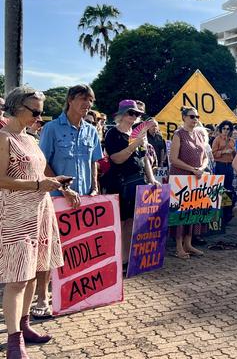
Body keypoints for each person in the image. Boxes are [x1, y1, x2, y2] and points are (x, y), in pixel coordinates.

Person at [0, 87, 68, 356]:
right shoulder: (4, 138)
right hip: (16, 216)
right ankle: (14, 338)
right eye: (36, 111)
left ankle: (25, 325)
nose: (40, 118)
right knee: (17, 279)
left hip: (40, 211)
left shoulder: (30, 138)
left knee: (32, 275)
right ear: (17, 107)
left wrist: (59, 186)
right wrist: (39, 184)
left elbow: (40, 172)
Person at [38, 84, 103, 319]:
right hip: (56, 200)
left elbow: (94, 162)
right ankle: (42, 298)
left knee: (80, 248)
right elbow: (42, 163)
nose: (87, 105)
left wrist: (95, 188)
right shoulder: (52, 129)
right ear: (70, 100)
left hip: (84, 200)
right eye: (83, 99)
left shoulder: (91, 131)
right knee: (51, 250)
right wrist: (63, 188)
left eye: (91, 101)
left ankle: (74, 291)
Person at [104, 100, 159, 267]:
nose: (134, 116)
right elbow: (116, 159)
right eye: (131, 113)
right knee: (119, 223)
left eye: (137, 114)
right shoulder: (112, 133)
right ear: (121, 114)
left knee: (130, 222)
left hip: (136, 181)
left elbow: (145, 159)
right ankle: (116, 258)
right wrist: (133, 145)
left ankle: (125, 259)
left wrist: (152, 179)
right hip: (119, 183)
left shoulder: (138, 134)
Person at [168, 106, 209, 258]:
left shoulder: (199, 134)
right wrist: (192, 169)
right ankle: (179, 247)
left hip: (196, 178)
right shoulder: (178, 134)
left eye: (197, 116)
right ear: (184, 117)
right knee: (180, 213)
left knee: (192, 211)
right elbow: (173, 159)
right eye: (192, 116)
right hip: (181, 178)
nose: (195, 119)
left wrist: (201, 169)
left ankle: (189, 243)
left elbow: (205, 157)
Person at [212, 120, 236, 191]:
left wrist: (234, 151)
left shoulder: (232, 140)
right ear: (221, 129)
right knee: (220, 187)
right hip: (220, 166)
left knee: (229, 187)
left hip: (229, 166)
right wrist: (224, 152)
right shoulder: (217, 140)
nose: (226, 130)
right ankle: (220, 202)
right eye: (224, 128)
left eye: (228, 129)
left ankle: (228, 202)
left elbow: (234, 156)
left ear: (230, 130)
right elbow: (213, 154)